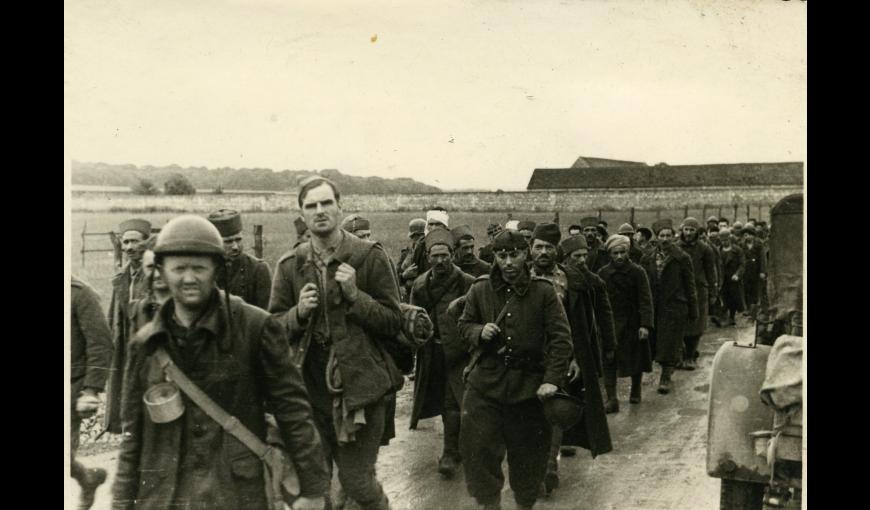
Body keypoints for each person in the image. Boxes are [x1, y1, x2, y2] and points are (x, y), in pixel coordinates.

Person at [112, 215, 330, 510]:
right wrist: (121, 503)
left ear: (216, 269)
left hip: (237, 495)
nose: (189, 278)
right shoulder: (146, 344)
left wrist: (314, 490)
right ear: (161, 271)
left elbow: (293, 411)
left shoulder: (255, 327)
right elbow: (132, 437)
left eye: (199, 268)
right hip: (165, 498)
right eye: (179, 269)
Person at [269, 176, 404, 510]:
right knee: (315, 486)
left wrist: (356, 297)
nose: (319, 211)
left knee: (357, 481)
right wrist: (298, 314)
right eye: (311, 205)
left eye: (326, 203)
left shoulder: (368, 257)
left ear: (339, 206)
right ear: (302, 213)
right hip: (308, 392)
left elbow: (393, 321)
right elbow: (271, 329)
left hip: (360, 391)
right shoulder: (290, 266)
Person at [458, 230, 573, 510]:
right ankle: (490, 505)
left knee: (529, 457)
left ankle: (524, 504)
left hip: (529, 389)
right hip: (485, 385)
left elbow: (561, 339)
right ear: (495, 257)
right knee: (479, 450)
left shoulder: (543, 292)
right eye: (501, 255)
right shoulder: (480, 289)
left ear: (526, 254)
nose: (508, 262)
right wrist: (478, 331)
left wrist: (552, 380)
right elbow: (463, 325)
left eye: (515, 254)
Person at [543, 233, 615, 495]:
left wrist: (598, 350)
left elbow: (599, 317)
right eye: (577, 257)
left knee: (556, 406)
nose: (583, 262)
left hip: (566, 352)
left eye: (585, 256)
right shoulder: (528, 278)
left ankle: (549, 465)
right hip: (533, 352)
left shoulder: (585, 283)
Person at [409, 229, 476, 479]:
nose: (440, 261)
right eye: (435, 256)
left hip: (459, 354)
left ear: (452, 255)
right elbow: (412, 318)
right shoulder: (420, 284)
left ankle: (450, 452)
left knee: (453, 402)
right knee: (438, 399)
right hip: (432, 353)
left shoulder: (467, 282)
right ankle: (456, 447)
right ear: (427, 256)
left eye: (445, 255)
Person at [640, 219, 698, 395]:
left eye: (668, 235)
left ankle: (665, 377)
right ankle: (650, 370)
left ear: (673, 236)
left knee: (670, 342)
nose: (665, 239)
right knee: (654, 339)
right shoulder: (647, 258)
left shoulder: (682, 258)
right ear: (656, 238)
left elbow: (690, 284)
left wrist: (693, 309)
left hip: (674, 306)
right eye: (661, 235)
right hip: (655, 306)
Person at [105, 218, 152, 434]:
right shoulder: (121, 278)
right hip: (124, 345)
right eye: (125, 243)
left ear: (146, 244)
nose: (129, 247)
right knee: (126, 392)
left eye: (135, 242)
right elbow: (114, 313)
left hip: (148, 345)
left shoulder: (154, 275)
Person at [70, 276, 113, 510]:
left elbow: (101, 343)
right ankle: (88, 478)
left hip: (72, 385)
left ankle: (87, 479)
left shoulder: (80, 293)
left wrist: (91, 389)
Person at [598, 234, 654, 410]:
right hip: (611, 323)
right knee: (609, 359)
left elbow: (646, 300)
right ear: (610, 254)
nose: (619, 256)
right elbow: (598, 302)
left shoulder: (638, 272)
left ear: (628, 252)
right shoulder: (603, 273)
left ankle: (636, 390)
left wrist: (645, 324)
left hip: (632, 323)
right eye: (615, 253)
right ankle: (612, 398)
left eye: (622, 252)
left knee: (635, 358)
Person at [207, 209, 273, 310]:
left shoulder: (258, 269)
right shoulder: (206, 269)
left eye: (238, 239)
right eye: (228, 242)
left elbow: (266, 315)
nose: (235, 247)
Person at [676, 218, 717, 370]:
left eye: (691, 230)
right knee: (681, 323)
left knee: (696, 324)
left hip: (699, 290)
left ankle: (690, 356)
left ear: (696, 232)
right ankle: (681, 353)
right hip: (680, 290)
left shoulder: (705, 249)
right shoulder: (676, 247)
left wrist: (713, 292)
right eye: (686, 229)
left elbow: (711, 272)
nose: (688, 233)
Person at [401, 208, 450, 294]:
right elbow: (415, 273)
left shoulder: (453, 242)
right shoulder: (420, 246)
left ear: (445, 226)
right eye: (431, 224)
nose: (434, 227)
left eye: (438, 224)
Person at [717, 228, 746, 326]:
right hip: (722, 278)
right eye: (722, 240)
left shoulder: (737, 250)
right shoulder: (718, 250)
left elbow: (742, 264)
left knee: (734, 298)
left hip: (733, 278)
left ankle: (732, 317)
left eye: (726, 240)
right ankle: (722, 317)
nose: (724, 242)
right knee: (723, 297)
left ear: (730, 239)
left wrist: (737, 274)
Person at [740, 224, 767, 320]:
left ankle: (755, 311)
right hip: (746, 271)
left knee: (756, 290)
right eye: (745, 235)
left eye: (749, 234)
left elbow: (763, 258)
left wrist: (763, 271)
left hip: (756, 270)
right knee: (747, 290)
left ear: (753, 234)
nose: (747, 236)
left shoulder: (759, 244)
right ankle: (748, 309)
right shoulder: (742, 245)